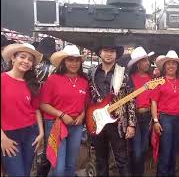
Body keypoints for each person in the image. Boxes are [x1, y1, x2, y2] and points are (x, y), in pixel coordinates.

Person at [88, 40, 136, 176]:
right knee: (100, 160)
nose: (109, 54)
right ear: (100, 53)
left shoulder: (124, 74)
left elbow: (131, 99)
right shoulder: (92, 73)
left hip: (118, 122)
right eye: (106, 51)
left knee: (122, 160)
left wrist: (131, 124)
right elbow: (89, 98)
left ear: (116, 54)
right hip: (97, 121)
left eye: (112, 51)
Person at [39, 45, 89, 176]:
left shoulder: (84, 81)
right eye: (70, 60)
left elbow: (84, 103)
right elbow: (43, 104)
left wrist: (82, 115)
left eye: (77, 60)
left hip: (76, 125)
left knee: (71, 164)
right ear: (64, 61)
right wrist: (62, 115)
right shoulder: (53, 80)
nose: (74, 63)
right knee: (58, 166)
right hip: (56, 124)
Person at [1, 43, 44, 176]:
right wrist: (2, 138)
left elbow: (35, 109)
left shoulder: (31, 83)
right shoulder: (2, 79)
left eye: (30, 59)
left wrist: (41, 133)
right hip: (8, 135)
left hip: (30, 133)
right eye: (22, 57)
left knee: (25, 173)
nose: (26, 61)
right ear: (13, 58)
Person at [151, 50, 179, 176]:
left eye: (174, 63)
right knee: (165, 152)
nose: (171, 66)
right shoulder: (159, 81)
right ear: (164, 66)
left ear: (177, 66)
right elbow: (154, 102)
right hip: (165, 118)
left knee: (173, 151)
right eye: (168, 63)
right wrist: (155, 121)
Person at [127, 46, 154, 176]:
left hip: (148, 116)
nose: (148, 63)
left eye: (147, 60)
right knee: (137, 151)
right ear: (138, 64)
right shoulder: (130, 78)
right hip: (135, 116)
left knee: (143, 150)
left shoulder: (151, 78)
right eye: (144, 60)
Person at [35, 37, 57, 177]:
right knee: (48, 144)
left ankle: (40, 171)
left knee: (39, 143)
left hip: (33, 109)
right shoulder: (54, 69)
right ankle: (43, 171)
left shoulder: (33, 66)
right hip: (48, 110)